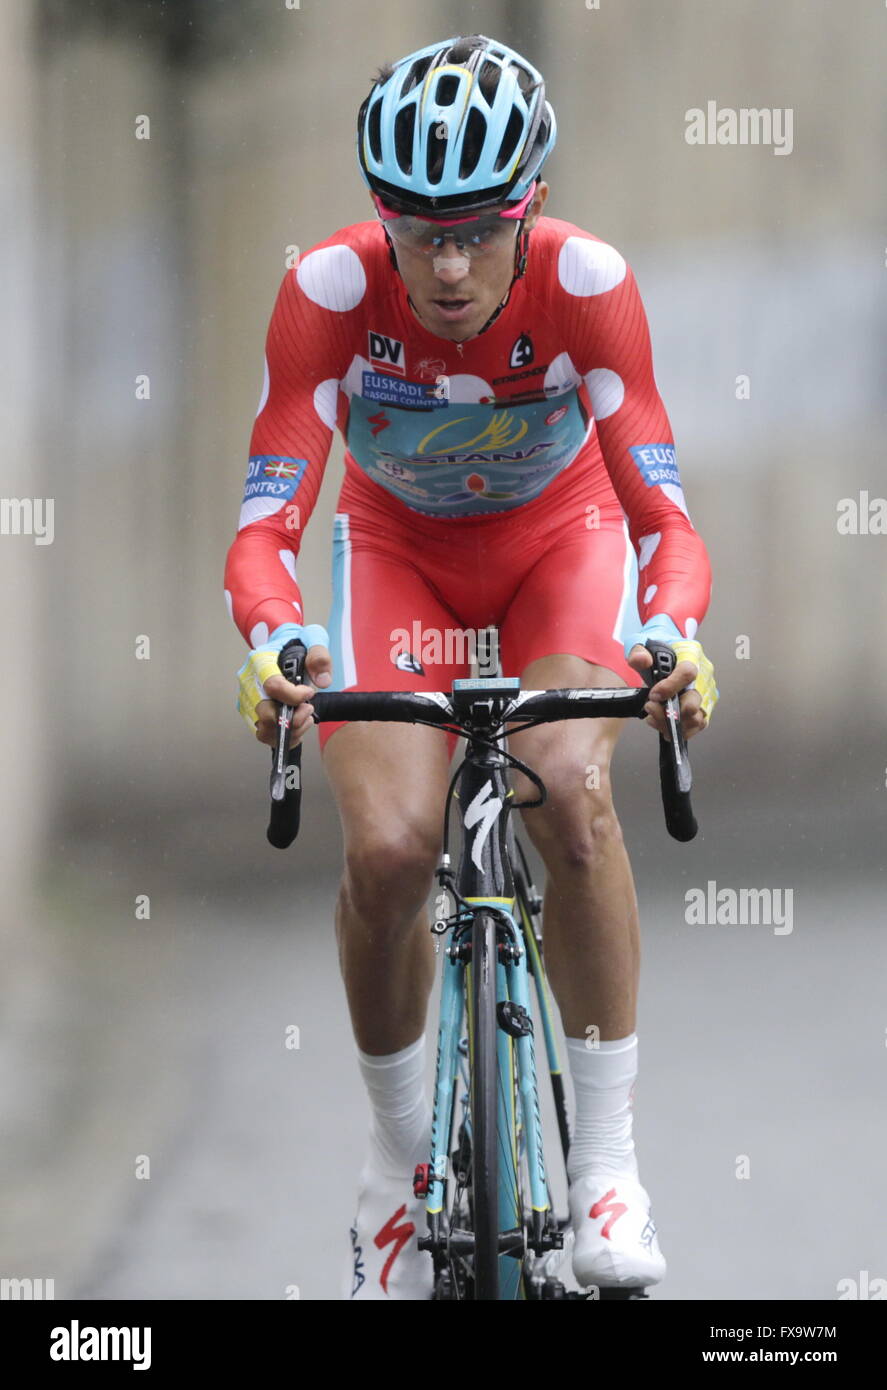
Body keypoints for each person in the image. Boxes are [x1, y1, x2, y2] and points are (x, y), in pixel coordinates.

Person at [225, 34, 718, 1300]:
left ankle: (605, 1161)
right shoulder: (331, 290)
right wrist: (274, 635)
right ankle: (393, 1168)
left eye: (479, 231)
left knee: (574, 786)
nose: (446, 267)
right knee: (389, 848)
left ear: (530, 206)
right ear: (382, 217)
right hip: (397, 559)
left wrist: (670, 630)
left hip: (558, 544)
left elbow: (662, 517)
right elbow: (266, 521)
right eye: (418, 230)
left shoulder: (587, 282)